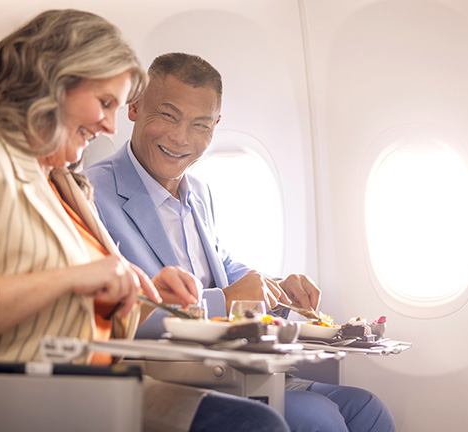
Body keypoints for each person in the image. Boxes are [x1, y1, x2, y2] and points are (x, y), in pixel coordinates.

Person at [0, 10, 289, 432]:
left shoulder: (66, 183)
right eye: (105, 102)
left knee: (256, 420)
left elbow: (91, 314)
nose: (111, 124)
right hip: (14, 392)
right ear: (52, 82)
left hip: (96, 382)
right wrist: (72, 278)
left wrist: (148, 297)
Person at [84, 52, 396, 432]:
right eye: (168, 115)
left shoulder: (199, 193)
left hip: (238, 368)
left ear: (215, 126)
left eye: (201, 124)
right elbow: (115, 314)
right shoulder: (95, 194)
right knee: (319, 417)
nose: (181, 138)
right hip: (180, 376)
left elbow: (226, 268)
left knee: (368, 408)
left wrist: (277, 289)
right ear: (134, 107)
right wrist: (226, 300)